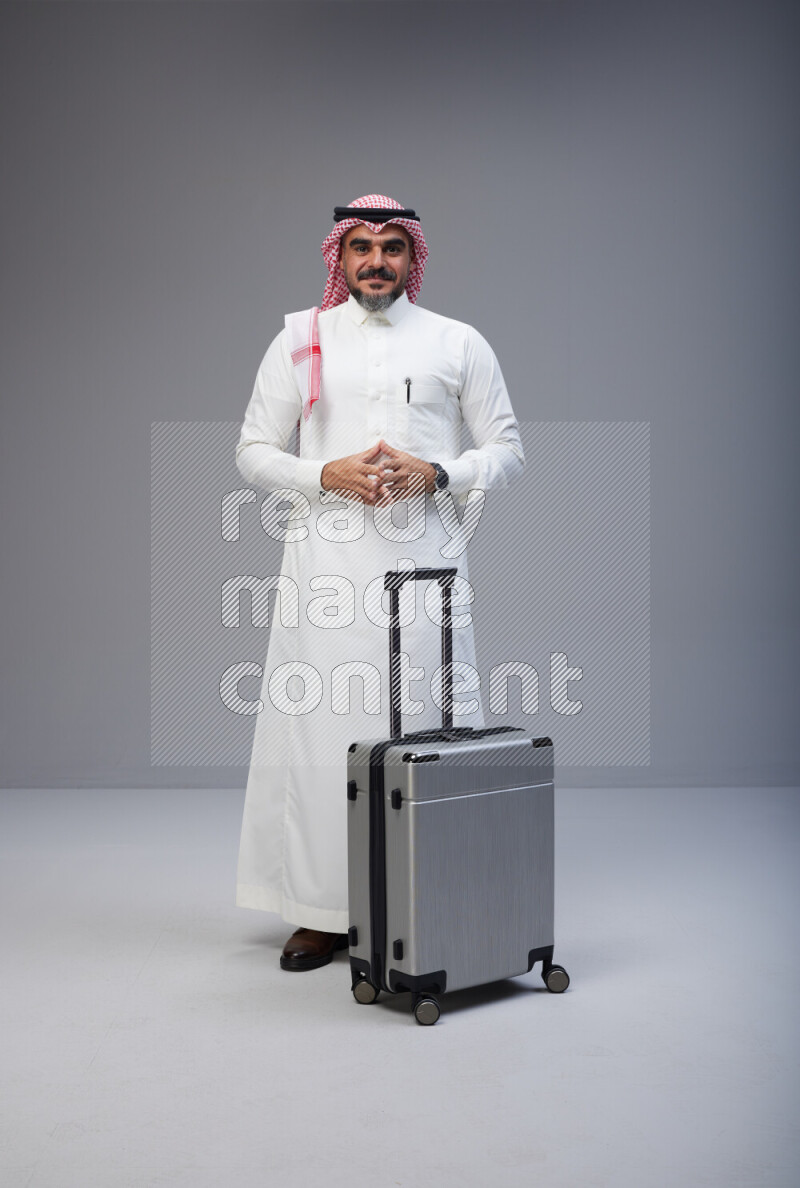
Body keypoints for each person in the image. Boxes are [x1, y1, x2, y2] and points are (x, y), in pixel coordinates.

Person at [235, 193, 524, 971]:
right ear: (339, 255)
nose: (375, 261)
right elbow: (253, 450)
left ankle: (429, 898)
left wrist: (440, 472)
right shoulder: (302, 338)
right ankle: (322, 912)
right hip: (326, 568)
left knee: (427, 727)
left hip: (425, 566)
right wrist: (321, 473)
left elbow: (507, 449)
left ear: (412, 257)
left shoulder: (456, 342)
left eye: (392, 246)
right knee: (325, 733)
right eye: (360, 246)